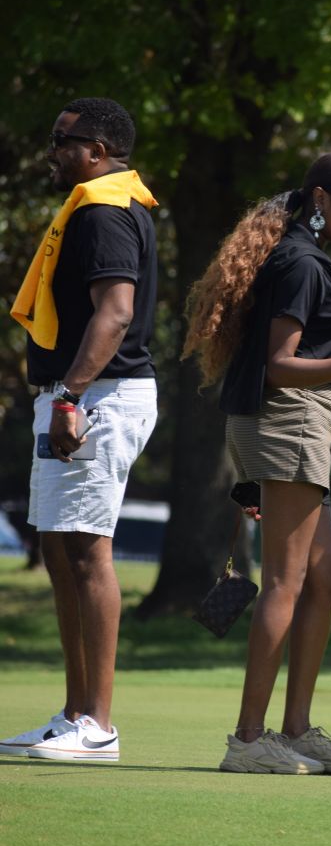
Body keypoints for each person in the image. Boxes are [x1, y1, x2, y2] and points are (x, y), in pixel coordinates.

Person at [183, 152, 331, 775]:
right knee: (288, 581)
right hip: (284, 416)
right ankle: (247, 739)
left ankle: (293, 732)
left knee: (329, 573)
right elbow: (281, 365)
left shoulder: (300, 257)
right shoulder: (299, 262)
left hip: (298, 420)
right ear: (321, 200)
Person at [1, 98, 159, 764]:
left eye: (62, 140)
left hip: (99, 396)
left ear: (96, 148)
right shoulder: (102, 204)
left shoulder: (102, 210)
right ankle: (73, 715)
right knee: (60, 551)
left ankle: (99, 724)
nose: (53, 150)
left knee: (89, 552)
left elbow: (115, 312)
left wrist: (71, 394)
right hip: (79, 395)